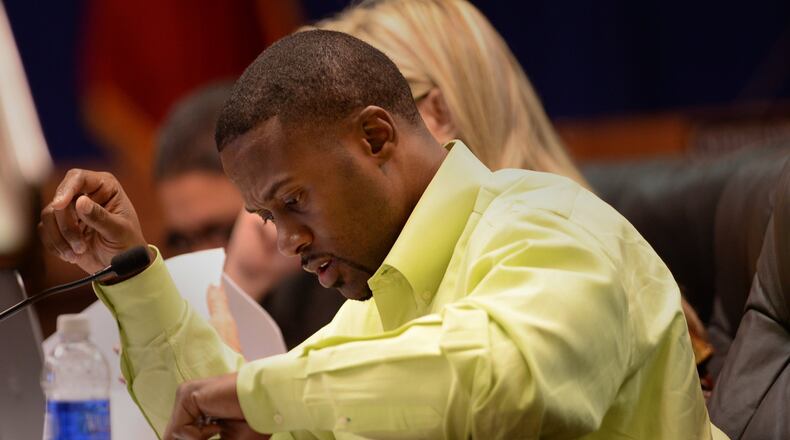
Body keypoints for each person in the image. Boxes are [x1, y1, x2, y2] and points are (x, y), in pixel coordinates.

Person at [40, 30, 725, 439]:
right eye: (271, 219)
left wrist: (262, 396)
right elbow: (222, 413)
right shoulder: (381, 306)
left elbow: (495, 384)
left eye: (293, 201)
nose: (286, 243)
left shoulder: (550, 226)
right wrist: (131, 270)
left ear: (375, 137)